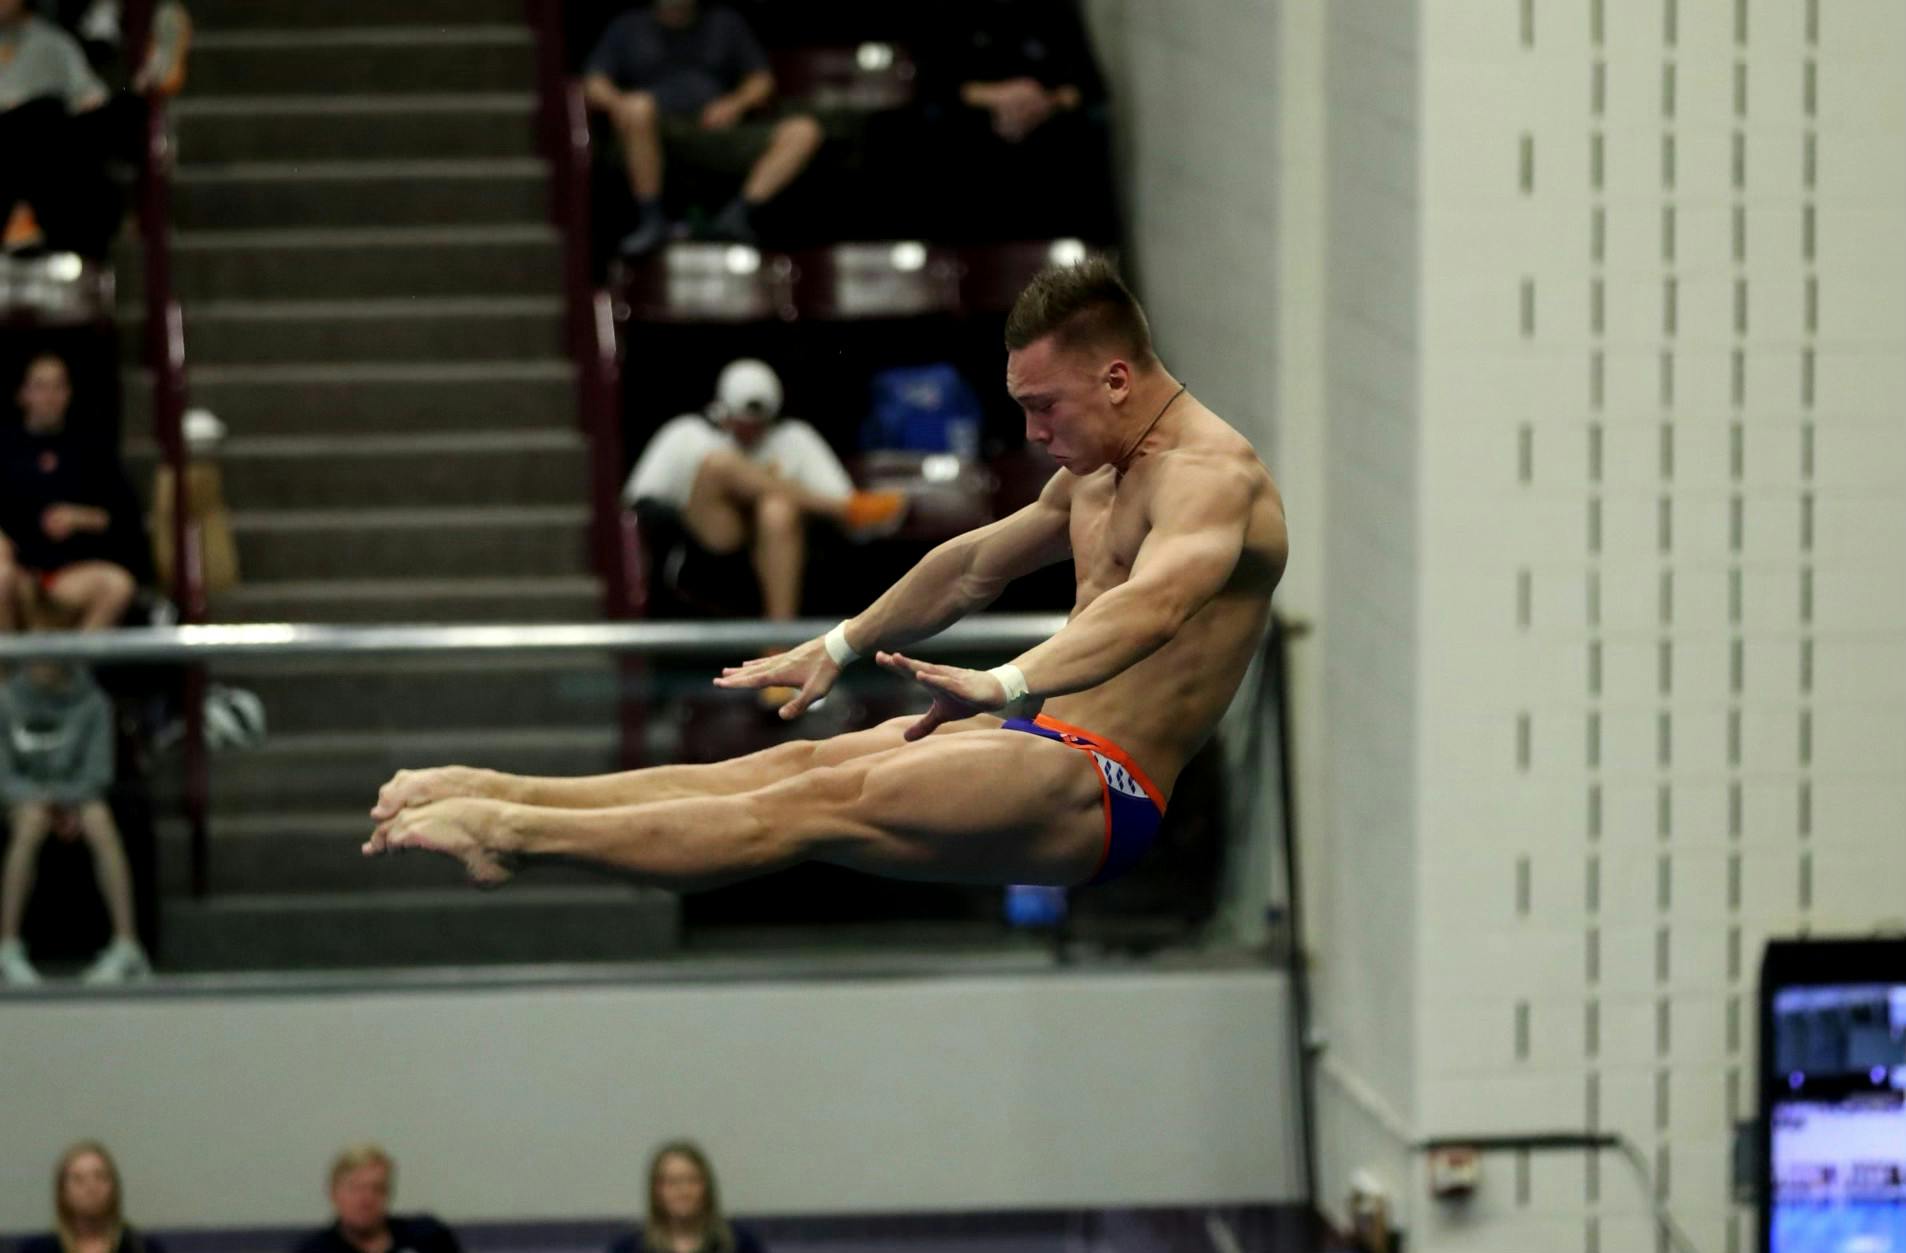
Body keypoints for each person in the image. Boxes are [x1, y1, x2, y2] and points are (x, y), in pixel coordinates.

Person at [364, 257, 1288, 894]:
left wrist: (1009, 678)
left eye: (1045, 407)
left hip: (1105, 784)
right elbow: (967, 568)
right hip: (1036, 739)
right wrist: (840, 642)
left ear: (1118, 378)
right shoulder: (1094, 473)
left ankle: (513, 837)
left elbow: (1157, 605)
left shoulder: (1214, 479)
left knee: (806, 807)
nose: (1036, 434)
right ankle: (509, 791)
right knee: (787, 764)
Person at [624, 357, 907, 623]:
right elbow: (639, 500)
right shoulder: (687, 434)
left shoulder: (795, 438)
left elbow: (842, 506)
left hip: (778, 547)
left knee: (777, 508)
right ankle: (846, 510)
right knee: (719, 465)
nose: (751, 432)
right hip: (707, 545)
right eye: (743, 423)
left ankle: (778, 644)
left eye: (759, 425)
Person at [582, 0, 822, 254]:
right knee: (639, 107)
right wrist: (620, 104)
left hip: (715, 129)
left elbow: (761, 80)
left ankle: (737, 215)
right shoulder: (628, 26)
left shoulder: (726, 23)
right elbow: (593, 82)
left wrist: (735, 104)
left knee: (803, 131)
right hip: (654, 131)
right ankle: (651, 219)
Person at [0, 580, 149, 986]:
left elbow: (97, 774)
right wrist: (45, 803)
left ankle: (126, 945)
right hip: (25, 799)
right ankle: (7, 947)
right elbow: (3, 776)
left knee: (99, 819)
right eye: (37, 645)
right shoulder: (6, 701)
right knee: (30, 822)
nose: (45, 658)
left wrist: (65, 803)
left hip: (75, 798)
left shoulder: (93, 702)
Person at [0, 353, 146, 634]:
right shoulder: (4, 448)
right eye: (40, 387)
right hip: (18, 574)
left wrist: (80, 518)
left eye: (58, 386)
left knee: (117, 585)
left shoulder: (90, 448)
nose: (49, 396)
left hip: (68, 576)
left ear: (68, 393)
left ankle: (69, 672)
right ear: (23, 394)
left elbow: (123, 516)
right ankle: (5, 674)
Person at [0, 0, 118, 257]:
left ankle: (28, 220)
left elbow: (91, 99)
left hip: (40, 155)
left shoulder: (52, 43)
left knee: (42, 116)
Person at [295, 1145, 462, 1253]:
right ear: (333, 1194)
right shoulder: (315, 1250)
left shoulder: (429, 1237)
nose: (366, 1199)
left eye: (377, 1189)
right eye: (356, 1189)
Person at [607, 1141, 764, 1253]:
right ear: (656, 1190)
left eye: (692, 1181)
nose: (683, 1191)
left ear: (707, 1187)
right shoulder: (629, 1248)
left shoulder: (740, 1245)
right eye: (672, 1182)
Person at [14, 1141, 167, 1253]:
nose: (91, 1188)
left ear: (114, 1187)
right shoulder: (39, 1249)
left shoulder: (141, 1247)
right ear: (62, 1192)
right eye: (78, 1179)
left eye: (100, 1177)